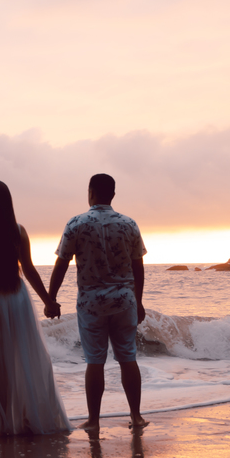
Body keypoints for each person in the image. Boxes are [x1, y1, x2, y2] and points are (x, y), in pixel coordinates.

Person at [0, 181, 71, 437]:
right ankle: (25, 418)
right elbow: (28, 270)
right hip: (16, 299)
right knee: (22, 358)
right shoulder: (18, 231)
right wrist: (47, 301)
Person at [48, 173, 148, 431]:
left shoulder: (76, 224)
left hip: (91, 301)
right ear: (112, 195)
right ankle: (136, 416)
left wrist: (51, 298)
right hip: (124, 300)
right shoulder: (129, 224)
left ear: (90, 191)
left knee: (95, 361)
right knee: (128, 357)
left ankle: (94, 420)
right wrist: (139, 300)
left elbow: (61, 264)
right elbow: (138, 267)